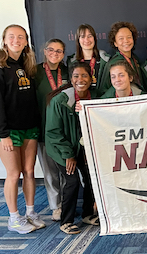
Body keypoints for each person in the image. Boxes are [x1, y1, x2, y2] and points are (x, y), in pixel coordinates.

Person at [0, 24, 45, 234]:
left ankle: (30, 213)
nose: (16, 40)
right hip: (7, 130)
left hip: (29, 127)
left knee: (29, 171)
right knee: (13, 173)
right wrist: (3, 133)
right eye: (12, 37)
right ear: (4, 40)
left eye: (21, 37)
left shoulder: (27, 66)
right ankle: (14, 218)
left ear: (26, 41)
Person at [45, 62, 99, 234]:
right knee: (72, 180)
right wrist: (69, 155)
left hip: (84, 147)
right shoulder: (60, 100)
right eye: (76, 76)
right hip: (61, 148)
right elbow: (54, 132)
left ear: (91, 78)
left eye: (84, 75)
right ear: (71, 79)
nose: (80, 79)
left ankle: (88, 214)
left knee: (91, 177)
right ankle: (66, 220)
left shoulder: (96, 97)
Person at [35, 39, 68, 222]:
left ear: (63, 54)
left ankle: (67, 202)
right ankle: (56, 206)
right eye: (51, 50)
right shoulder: (35, 72)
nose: (55, 53)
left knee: (65, 170)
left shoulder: (68, 71)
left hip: (64, 129)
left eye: (59, 51)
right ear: (44, 51)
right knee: (49, 171)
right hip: (43, 128)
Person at [99, 21, 144, 93]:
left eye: (129, 37)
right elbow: (104, 90)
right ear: (115, 43)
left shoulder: (134, 58)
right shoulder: (114, 63)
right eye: (121, 38)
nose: (126, 41)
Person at [67, 24, 110, 91]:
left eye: (89, 36)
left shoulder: (105, 60)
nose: (86, 40)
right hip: (80, 100)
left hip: (101, 99)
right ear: (78, 40)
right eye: (83, 36)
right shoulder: (72, 61)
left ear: (94, 38)